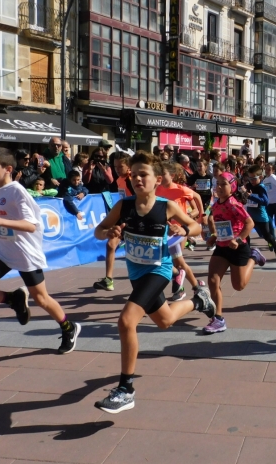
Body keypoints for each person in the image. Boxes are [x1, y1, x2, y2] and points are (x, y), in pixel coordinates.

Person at [93, 151, 215, 413]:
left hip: (159, 271)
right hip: (137, 274)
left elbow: (195, 226)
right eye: (133, 175)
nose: (137, 179)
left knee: (126, 321)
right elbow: (98, 230)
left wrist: (183, 230)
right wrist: (109, 232)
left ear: (157, 179)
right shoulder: (123, 206)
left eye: (143, 175)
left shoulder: (165, 207)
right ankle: (199, 301)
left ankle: (125, 389)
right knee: (165, 321)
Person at [0, 148, 81, 353]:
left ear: (8, 169)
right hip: (2, 251)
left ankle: (68, 327)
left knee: (42, 299)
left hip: (25, 253)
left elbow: (31, 226)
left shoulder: (17, 191)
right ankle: (13, 299)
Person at [205, 172, 266, 334]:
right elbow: (212, 220)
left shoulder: (233, 203)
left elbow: (249, 223)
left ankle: (254, 256)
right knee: (212, 280)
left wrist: (238, 240)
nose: (218, 187)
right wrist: (213, 236)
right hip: (221, 247)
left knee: (238, 286)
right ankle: (218, 319)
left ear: (231, 187)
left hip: (238, 247)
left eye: (223, 184)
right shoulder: (216, 203)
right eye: (217, 183)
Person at [156, 162, 206, 300]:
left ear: (172, 175)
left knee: (173, 261)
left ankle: (182, 286)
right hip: (165, 230)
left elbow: (197, 197)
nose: (159, 177)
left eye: (163, 174)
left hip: (180, 231)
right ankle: (196, 286)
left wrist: (202, 215)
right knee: (179, 263)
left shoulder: (181, 189)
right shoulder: (157, 189)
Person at [92, 153, 134, 292]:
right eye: (115, 166)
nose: (117, 169)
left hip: (135, 220)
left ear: (129, 166)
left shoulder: (132, 180)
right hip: (123, 218)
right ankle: (108, 280)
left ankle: (176, 273)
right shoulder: (119, 180)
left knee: (147, 256)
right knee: (110, 244)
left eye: (120, 166)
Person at [242, 165, 276, 260]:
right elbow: (245, 198)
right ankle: (247, 254)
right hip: (250, 216)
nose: (251, 181)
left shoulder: (261, 187)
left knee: (267, 236)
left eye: (254, 178)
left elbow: (265, 201)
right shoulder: (248, 186)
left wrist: (251, 196)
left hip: (261, 217)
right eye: (250, 178)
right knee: (245, 234)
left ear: (260, 177)